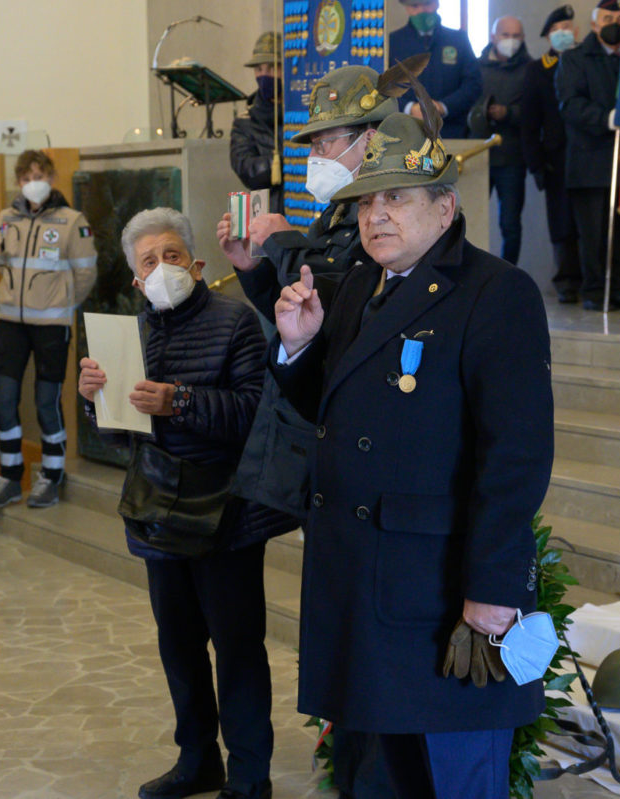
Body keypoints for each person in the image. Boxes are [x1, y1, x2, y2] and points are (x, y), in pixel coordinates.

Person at [271, 110, 555, 798]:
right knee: (374, 780)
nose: (376, 216)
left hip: (434, 594)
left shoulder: (495, 292)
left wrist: (494, 590)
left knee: (450, 780)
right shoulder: (360, 287)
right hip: (361, 586)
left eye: (396, 197)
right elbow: (339, 413)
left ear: (445, 207)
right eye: (367, 201)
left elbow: (515, 455)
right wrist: (300, 347)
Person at [218, 64, 400, 799]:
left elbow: (349, 307)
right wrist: (257, 269)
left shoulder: (386, 220)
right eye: (315, 142)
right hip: (320, 440)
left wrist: (284, 242)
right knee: (336, 633)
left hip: (367, 453)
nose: (319, 155)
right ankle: (349, 764)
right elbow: (302, 319)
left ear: (372, 140)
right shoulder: (334, 218)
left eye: (330, 141)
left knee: (367, 636)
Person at [78, 209, 290, 799]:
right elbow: (120, 437)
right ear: (135, 280)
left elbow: (254, 414)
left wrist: (182, 401)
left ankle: (249, 776)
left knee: (237, 648)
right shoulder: (128, 336)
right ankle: (197, 760)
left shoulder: (235, 321)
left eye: (172, 255)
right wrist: (95, 402)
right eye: (149, 261)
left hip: (228, 512)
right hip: (158, 509)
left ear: (196, 265)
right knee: (179, 646)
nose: (162, 268)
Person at [0, 150, 97, 509]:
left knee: (46, 402)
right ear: (18, 181)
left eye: (39, 176)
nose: (33, 183)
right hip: (10, 323)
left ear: (50, 178)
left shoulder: (71, 220)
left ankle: (51, 475)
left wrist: (61, 304)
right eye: (26, 177)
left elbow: (86, 272)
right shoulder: (6, 218)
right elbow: (4, 263)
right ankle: (10, 476)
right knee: (3, 398)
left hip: (51, 324)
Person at [556, 0, 620, 310]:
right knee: (593, 235)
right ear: (594, 25)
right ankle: (595, 292)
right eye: (608, 18)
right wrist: (605, 118)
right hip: (589, 162)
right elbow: (569, 104)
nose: (614, 24)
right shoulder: (575, 59)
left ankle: (617, 290)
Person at [521, 5, 581, 303]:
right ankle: (567, 280)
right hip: (555, 160)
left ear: (576, 31)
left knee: (588, 222)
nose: (562, 34)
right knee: (562, 223)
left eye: (566, 28)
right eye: (556, 30)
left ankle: (591, 278)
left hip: (588, 154)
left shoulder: (586, 61)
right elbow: (529, 124)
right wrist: (536, 166)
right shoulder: (537, 70)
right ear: (547, 37)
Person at [476, 16, 532, 266]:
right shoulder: (476, 67)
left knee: (510, 224)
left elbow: (535, 112)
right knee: (470, 218)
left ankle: (509, 273)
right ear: (493, 37)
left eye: (516, 35)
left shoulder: (530, 69)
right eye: (505, 35)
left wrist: (509, 113)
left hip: (512, 157)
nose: (511, 40)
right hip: (477, 154)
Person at [388, 1, 482, 139]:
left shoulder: (458, 40)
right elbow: (383, 87)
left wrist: (443, 107)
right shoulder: (392, 42)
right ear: (407, 8)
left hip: (452, 132)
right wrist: (409, 108)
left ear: (437, 4)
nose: (421, 11)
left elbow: (473, 84)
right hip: (406, 133)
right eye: (415, 6)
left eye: (427, 4)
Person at [231, 32, 284, 214]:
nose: (264, 75)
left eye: (272, 67)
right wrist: (286, 160)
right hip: (266, 212)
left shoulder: (300, 114)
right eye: (259, 69)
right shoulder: (245, 122)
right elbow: (247, 170)